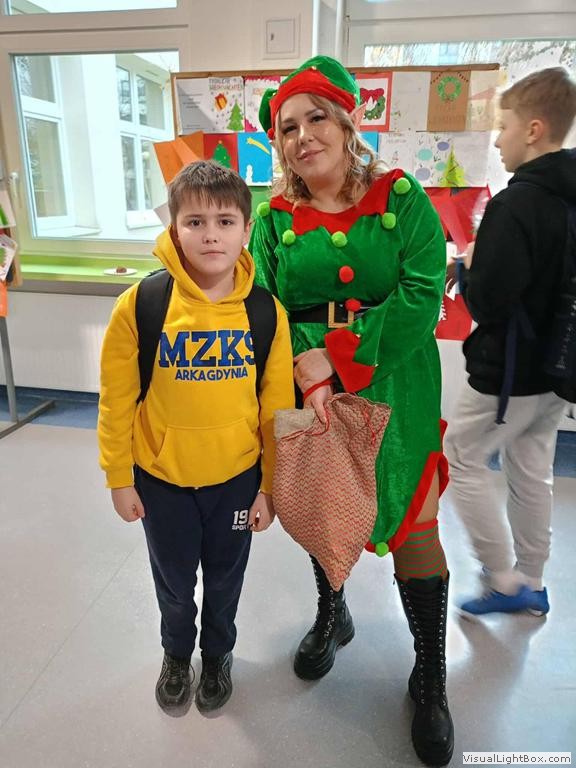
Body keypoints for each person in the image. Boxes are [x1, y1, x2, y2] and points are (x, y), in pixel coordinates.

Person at [249, 56, 453, 766]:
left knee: (414, 520)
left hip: (397, 382)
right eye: (287, 128)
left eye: (316, 119)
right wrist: (291, 381)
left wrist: (339, 357)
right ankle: (333, 614)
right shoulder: (272, 219)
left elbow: (424, 294)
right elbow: (262, 308)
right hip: (303, 385)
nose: (302, 136)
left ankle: (430, 675)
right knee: (319, 504)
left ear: (345, 123)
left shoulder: (403, 199)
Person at [98, 161, 294, 715]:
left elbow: (276, 412)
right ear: (175, 229)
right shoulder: (141, 306)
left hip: (236, 481)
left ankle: (218, 654)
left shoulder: (266, 313)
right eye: (196, 222)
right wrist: (119, 478)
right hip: (162, 482)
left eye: (225, 221)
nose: (211, 235)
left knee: (226, 582)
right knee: (174, 584)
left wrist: (270, 487)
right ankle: (177, 654)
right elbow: (116, 402)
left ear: (246, 229)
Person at [444, 67, 576, 618]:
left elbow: (490, 302)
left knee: (462, 455)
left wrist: (467, 268)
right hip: (558, 368)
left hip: (510, 371)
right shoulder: (569, 197)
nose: (497, 140)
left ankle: (501, 578)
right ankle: (533, 578)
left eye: (504, 126)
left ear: (534, 129)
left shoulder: (515, 204)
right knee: (530, 466)